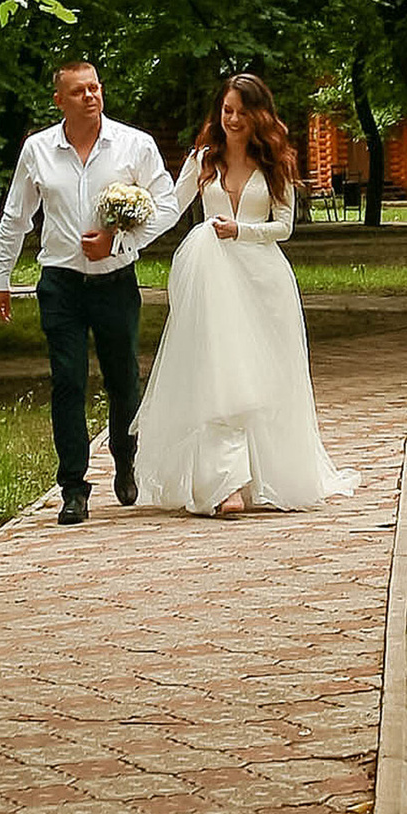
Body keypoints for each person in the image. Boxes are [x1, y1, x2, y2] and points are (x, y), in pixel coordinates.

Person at [132, 70, 332, 515]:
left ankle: (267, 477)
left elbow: (284, 227)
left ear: (260, 116)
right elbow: (171, 208)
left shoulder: (277, 162)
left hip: (263, 281)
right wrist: (128, 234)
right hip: (214, 280)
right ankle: (225, 484)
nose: (233, 120)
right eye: (227, 111)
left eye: (242, 112)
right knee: (222, 375)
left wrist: (240, 230)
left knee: (265, 377)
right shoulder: (204, 159)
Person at [0, 61, 181, 525]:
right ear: (60, 100)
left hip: (115, 280)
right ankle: (73, 486)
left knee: (122, 380)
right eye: (78, 91)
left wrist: (119, 240)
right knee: (68, 380)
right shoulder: (38, 150)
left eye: (95, 88)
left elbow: (168, 205)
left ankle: (125, 456)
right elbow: (17, 216)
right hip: (60, 283)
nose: (90, 97)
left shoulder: (135, 145)